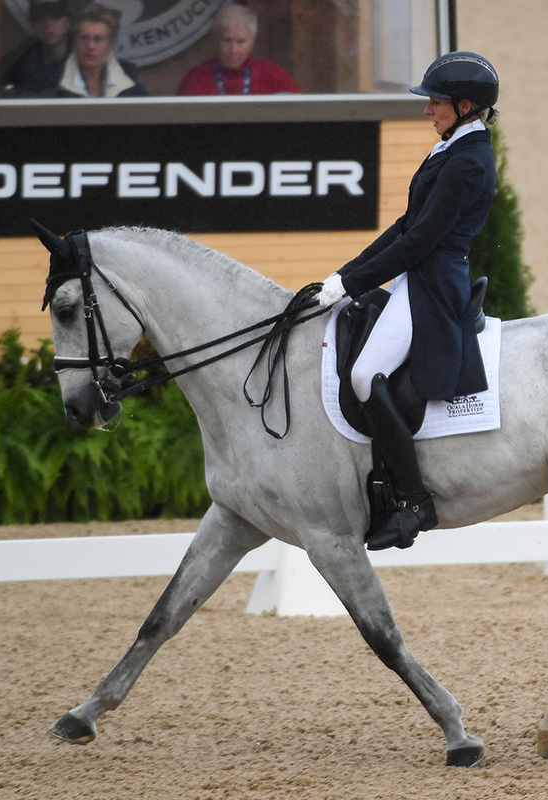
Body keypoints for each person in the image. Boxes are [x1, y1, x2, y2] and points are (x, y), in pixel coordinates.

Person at [315, 51, 501, 551]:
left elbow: (420, 243)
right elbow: (404, 227)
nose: (427, 110)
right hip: (418, 275)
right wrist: (344, 276)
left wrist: (352, 285)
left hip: (433, 283)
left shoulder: (467, 160)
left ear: (465, 105)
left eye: (435, 102)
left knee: (361, 376)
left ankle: (413, 500)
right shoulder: (449, 148)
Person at [176, 4, 300, 96]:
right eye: (227, 40)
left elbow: (299, 112)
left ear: (253, 42)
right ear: (216, 39)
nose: (233, 49)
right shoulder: (196, 78)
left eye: (241, 42)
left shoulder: (273, 75)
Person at [57, 3, 147, 98]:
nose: (90, 46)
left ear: (111, 44)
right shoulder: (52, 78)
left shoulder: (127, 75)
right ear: (74, 41)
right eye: (84, 38)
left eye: (98, 39)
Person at [1, 0, 73, 97]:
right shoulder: (17, 67)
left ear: (67, 22)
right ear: (32, 25)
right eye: (39, 17)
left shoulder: (86, 58)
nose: (48, 25)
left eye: (56, 14)